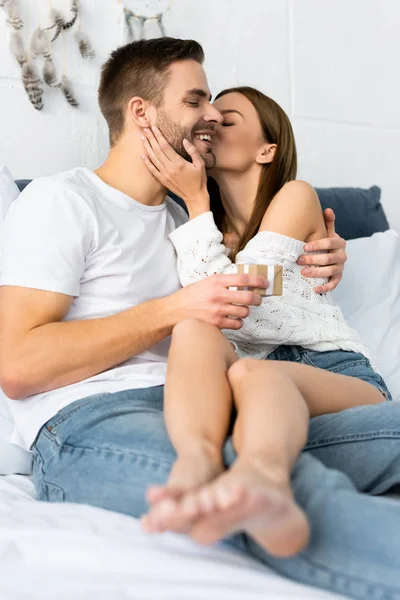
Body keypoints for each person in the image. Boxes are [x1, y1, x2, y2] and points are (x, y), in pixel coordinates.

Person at [0, 38, 399, 600]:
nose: (211, 115)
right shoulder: (61, 201)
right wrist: (174, 309)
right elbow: (17, 366)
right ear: (142, 112)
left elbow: (262, 269)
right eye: (197, 100)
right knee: (282, 489)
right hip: (99, 415)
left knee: (268, 460)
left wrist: (326, 250)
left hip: (222, 406)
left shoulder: (188, 219)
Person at [138, 87, 391, 558]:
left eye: (227, 120)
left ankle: (264, 483)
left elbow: (239, 301)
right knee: (191, 328)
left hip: (334, 373)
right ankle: (195, 465)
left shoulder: (296, 197)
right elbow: (206, 311)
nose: (211, 123)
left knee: (253, 370)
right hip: (247, 383)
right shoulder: (197, 228)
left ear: (266, 150)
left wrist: (196, 203)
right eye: (207, 116)